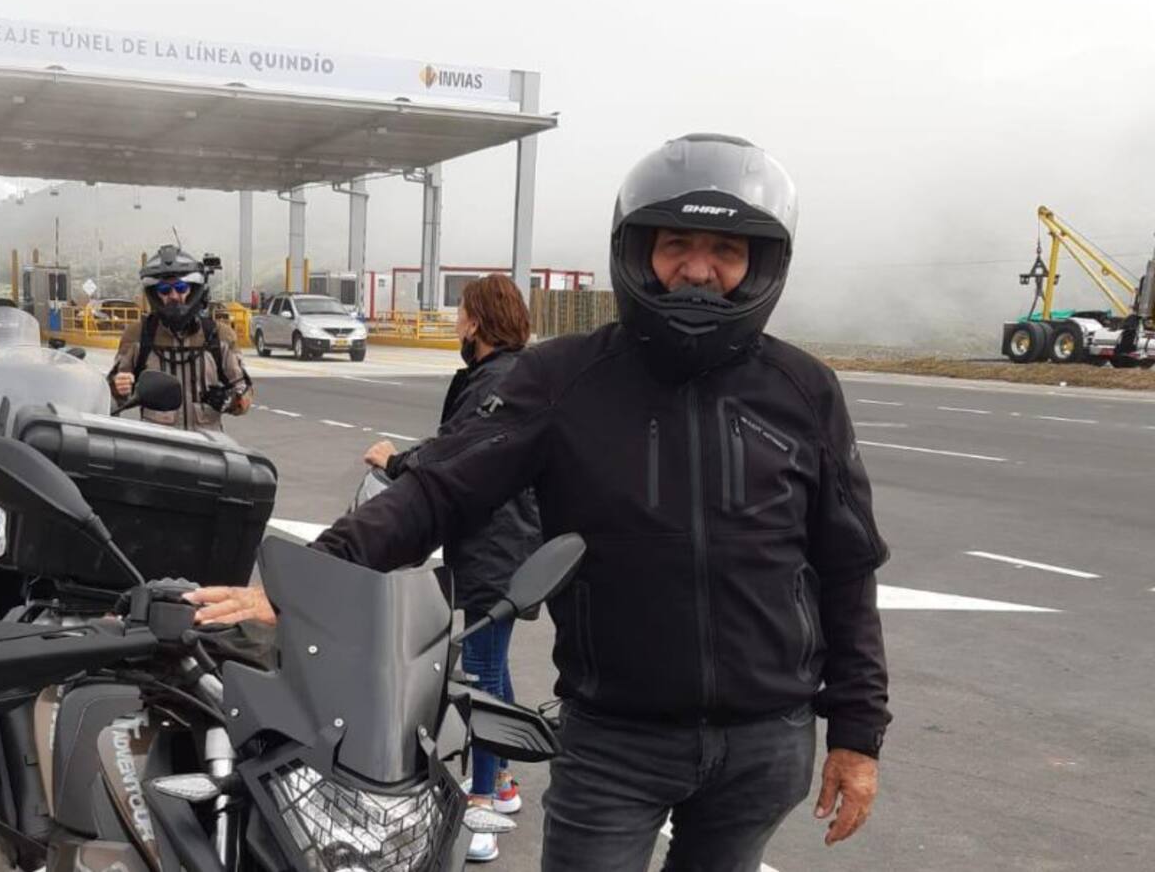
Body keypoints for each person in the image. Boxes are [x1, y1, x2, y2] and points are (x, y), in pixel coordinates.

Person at [191, 133, 890, 872]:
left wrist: (857, 734)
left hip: (764, 744)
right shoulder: (565, 378)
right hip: (618, 740)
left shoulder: (804, 391)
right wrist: (313, 580)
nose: (697, 268)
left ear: (760, 263)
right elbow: (440, 489)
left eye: (726, 249)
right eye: (676, 242)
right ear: (637, 250)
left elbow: (847, 567)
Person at [364, 275, 541, 863]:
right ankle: (504, 783)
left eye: (461, 311)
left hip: (498, 545)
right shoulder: (506, 376)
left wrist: (396, 463)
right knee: (491, 666)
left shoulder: (497, 380)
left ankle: (484, 808)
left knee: (482, 680)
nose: (456, 321)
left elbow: (454, 454)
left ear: (479, 321)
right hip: (507, 543)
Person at [108, 245, 253, 432]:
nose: (174, 296)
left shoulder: (219, 335)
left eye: (181, 287)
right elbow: (112, 394)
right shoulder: (138, 335)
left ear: (193, 289)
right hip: (158, 448)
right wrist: (118, 386)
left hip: (207, 447)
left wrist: (229, 400)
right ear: (155, 293)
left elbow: (245, 391)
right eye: (164, 290)